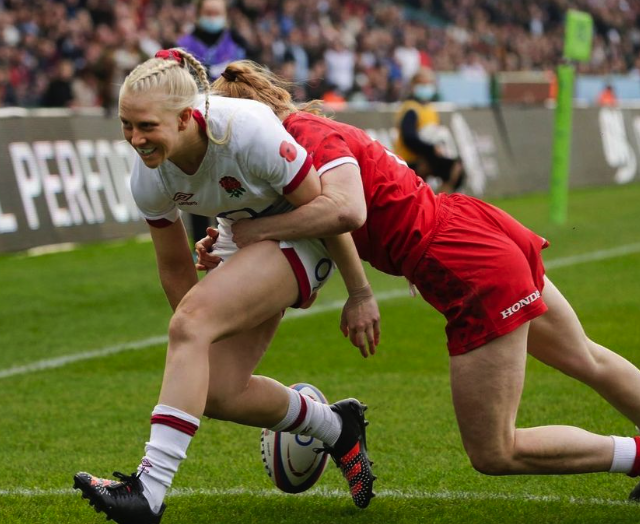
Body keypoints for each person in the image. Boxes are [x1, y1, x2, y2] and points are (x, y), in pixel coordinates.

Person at [198, 59, 640, 501]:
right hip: (472, 229)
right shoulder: (297, 138)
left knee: (495, 450)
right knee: (587, 358)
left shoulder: (305, 137)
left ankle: (635, 455)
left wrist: (343, 282)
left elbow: (343, 211)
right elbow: (303, 232)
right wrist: (228, 243)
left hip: (465, 263)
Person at [72, 49, 379, 524]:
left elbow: (328, 211)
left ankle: (147, 492)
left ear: (186, 116)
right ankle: (335, 427)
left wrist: (359, 291)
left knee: (192, 323)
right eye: (125, 125)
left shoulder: (245, 132)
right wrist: (202, 334)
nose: (135, 138)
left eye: (146, 125)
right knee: (219, 391)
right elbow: (174, 267)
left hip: (304, 234)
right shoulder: (147, 174)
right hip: (243, 235)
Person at [177, 0, 258, 245]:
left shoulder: (239, 45)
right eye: (208, 13)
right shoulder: (183, 47)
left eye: (217, 13)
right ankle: (202, 244)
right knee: (197, 184)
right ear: (199, 15)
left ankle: (240, 239)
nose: (212, 17)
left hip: (235, 126)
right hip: (196, 126)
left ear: (225, 16)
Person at [393, 67, 465, 194]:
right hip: (410, 160)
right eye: (422, 84)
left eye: (429, 84)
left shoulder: (430, 109)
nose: (426, 87)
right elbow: (409, 138)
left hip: (427, 156)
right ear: (414, 85)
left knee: (456, 169)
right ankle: (437, 203)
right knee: (453, 168)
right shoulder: (411, 108)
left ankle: (440, 201)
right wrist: (431, 149)